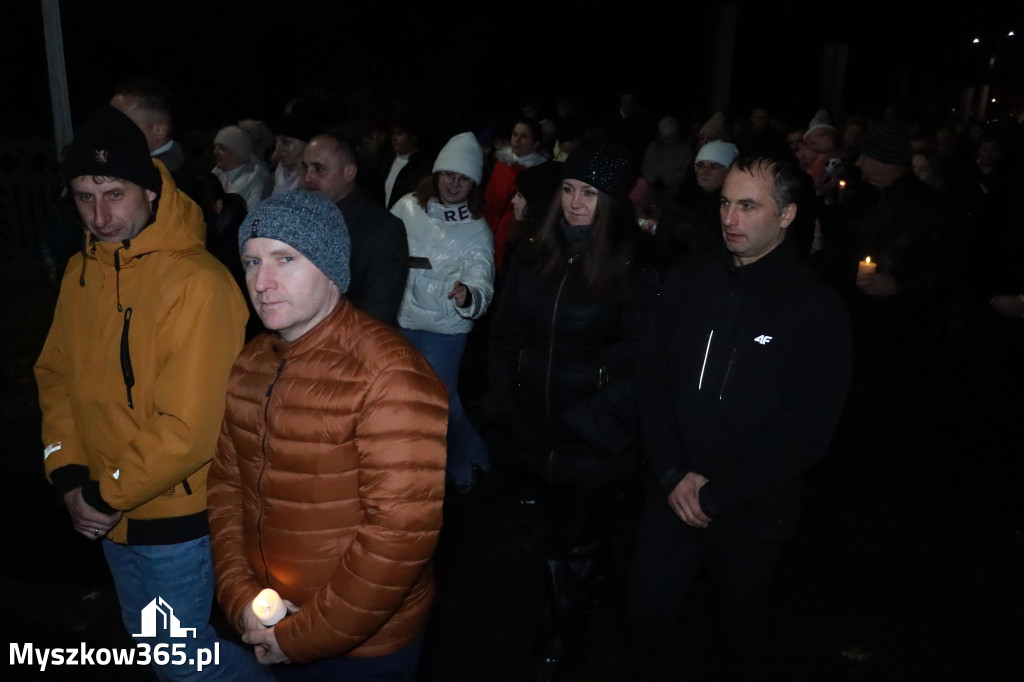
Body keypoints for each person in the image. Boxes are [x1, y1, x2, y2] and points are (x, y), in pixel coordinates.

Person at [33, 105, 271, 682]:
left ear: (150, 189)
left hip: (172, 517)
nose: (100, 214)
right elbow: (56, 377)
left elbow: (189, 427)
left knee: (184, 664)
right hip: (104, 510)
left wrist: (102, 494)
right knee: (154, 647)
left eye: (114, 193)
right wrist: (67, 476)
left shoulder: (198, 284)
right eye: (85, 196)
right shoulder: (80, 272)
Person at [626, 148, 852, 680]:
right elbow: (651, 375)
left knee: (738, 640)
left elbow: (804, 431)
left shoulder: (816, 310)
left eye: (748, 207)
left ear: (788, 215)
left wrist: (719, 495)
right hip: (670, 494)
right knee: (645, 617)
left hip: (752, 514)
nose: (729, 219)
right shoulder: (689, 279)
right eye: (726, 204)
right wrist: (670, 472)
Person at [208, 190, 448, 681]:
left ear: (332, 267)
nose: (262, 282)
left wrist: (303, 637)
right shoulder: (252, 361)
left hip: (361, 649)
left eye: (285, 259)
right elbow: (227, 488)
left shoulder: (389, 373)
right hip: (271, 622)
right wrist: (239, 598)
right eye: (251, 261)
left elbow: (398, 537)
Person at [481, 137, 660, 680]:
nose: (578, 203)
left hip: (591, 434)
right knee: (565, 532)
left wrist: (589, 419)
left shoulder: (635, 264)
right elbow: (505, 333)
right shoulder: (537, 249)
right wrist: (506, 401)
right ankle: (592, 579)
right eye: (570, 189)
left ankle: (558, 645)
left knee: (569, 541)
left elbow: (643, 361)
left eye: (591, 193)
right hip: (534, 425)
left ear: (613, 201)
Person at [390, 132, 495, 492]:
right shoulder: (406, 207)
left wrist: (469, 296)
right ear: (436, 173)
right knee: (402, 401)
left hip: (445, 331)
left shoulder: (476, 229)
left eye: (464, 177)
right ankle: (411, 469)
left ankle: (471, 463)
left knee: (443, 405)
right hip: (402, 322)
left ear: (474, 184)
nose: (454, 183)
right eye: (449, 173)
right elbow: (382, 250)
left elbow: (482, 276)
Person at [302, 130, 409, 327]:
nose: (308, 177)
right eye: (306, 167)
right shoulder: (299, 217)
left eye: (319, 169)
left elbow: (378, 312)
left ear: (349, 172)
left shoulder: (383, 229)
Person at [484, 117, 550, 274]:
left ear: (536, 143)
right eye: (515, 134)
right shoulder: (499, 163)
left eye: (524, 136)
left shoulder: (540, 174)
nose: (517, 140)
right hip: (487, 235)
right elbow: (488, 200)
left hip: (512, 240)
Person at [212, 124, 271, 211]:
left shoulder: (256, 184)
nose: (215, 151)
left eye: (222, 148)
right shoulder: (216, 175)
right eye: (216, 147)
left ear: (238, 154)